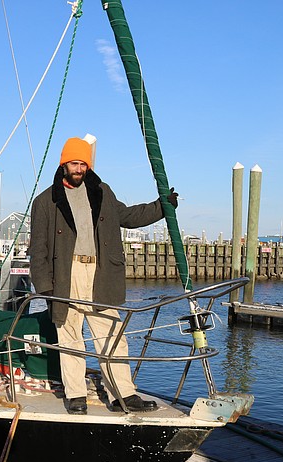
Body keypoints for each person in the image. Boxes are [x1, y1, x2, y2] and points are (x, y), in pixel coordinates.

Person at [29, 136, 178, 414]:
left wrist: (162, 206)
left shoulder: (102, 191)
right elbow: (37, 250)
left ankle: (123, 394)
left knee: (112, 333)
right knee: (70, 336)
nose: (78, 169)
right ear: (64, 164)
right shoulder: (45, 202)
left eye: (83, 164)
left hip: (100, 271)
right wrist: (44, 287)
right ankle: (75, 395)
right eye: (74, 163)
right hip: (66, 272)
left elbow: (128, 216)